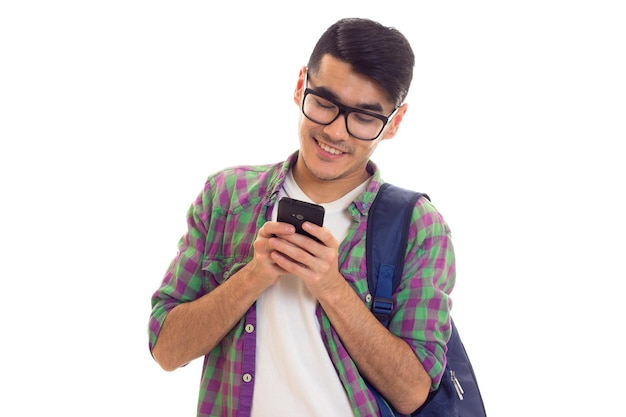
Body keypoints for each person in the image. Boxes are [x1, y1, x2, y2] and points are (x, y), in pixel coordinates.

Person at [148, 17, 455, 417]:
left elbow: (414, 392)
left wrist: (331, 287)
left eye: (364, 118)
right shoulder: (227, 197)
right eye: (324, 103)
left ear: (393, 123)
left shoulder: (417, 226)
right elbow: (167, 350)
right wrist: (254, 275)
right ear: (300, 86)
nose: (336, 132)